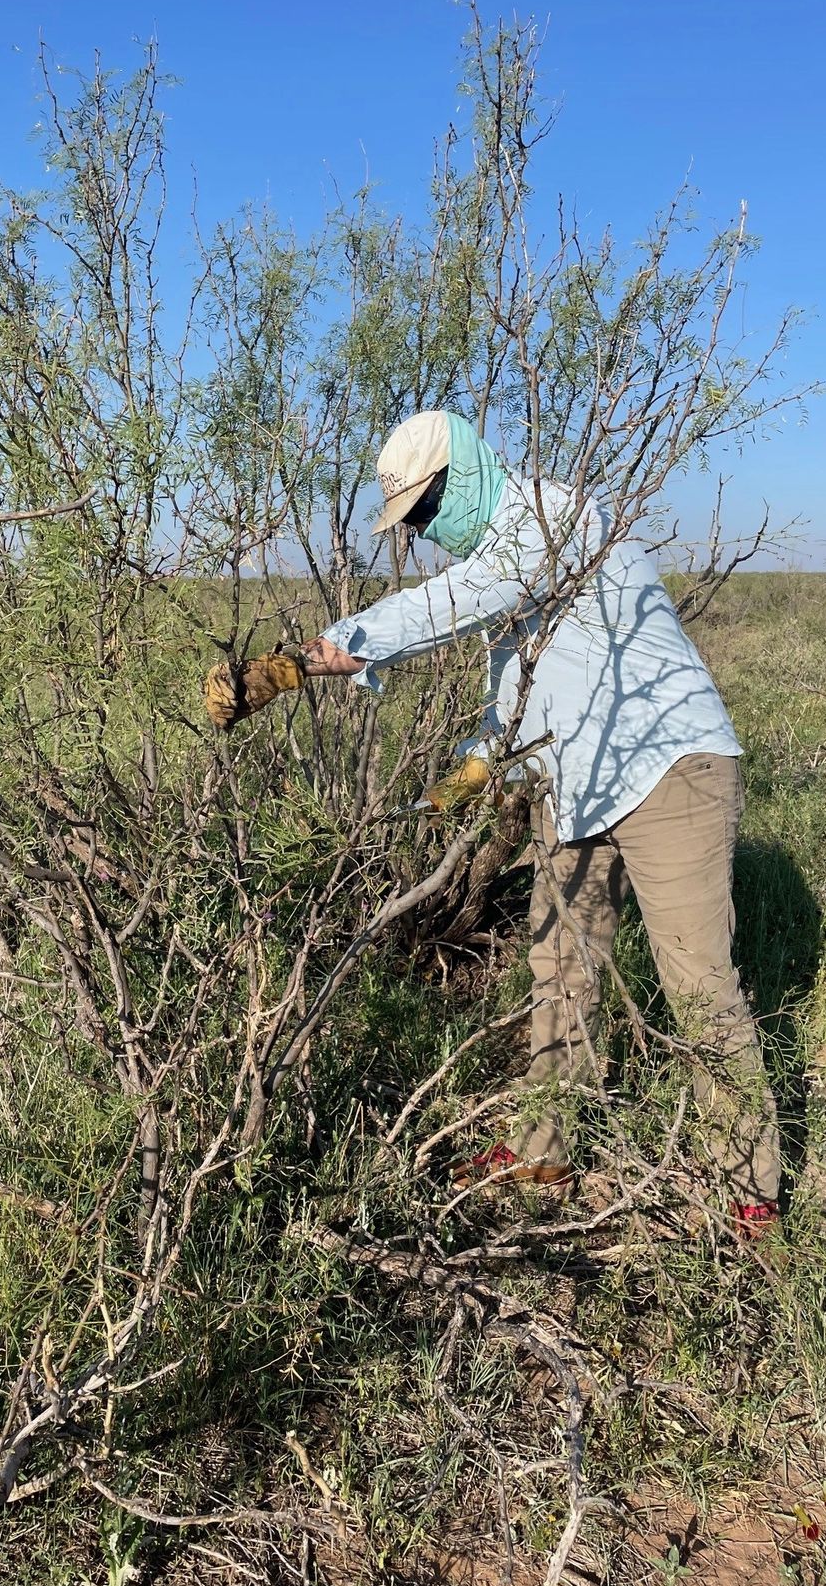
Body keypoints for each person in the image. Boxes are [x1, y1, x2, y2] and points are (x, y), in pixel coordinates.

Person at [203, 409, 781, 1236]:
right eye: (418, 522)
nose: (431, 530)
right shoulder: (506, 566)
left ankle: (747, 1184)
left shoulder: (550, 522)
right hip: (579, 782)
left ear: (464, 472)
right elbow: (516, 694)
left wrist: (310, 659)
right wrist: (468, 773)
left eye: (431, 508)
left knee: (698, 982)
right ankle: (544, 1149)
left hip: (670, 770)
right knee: (560, 966)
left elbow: (455, 602)